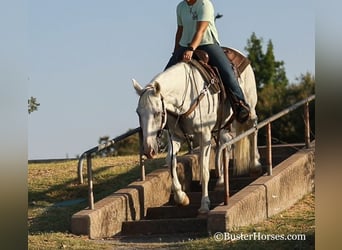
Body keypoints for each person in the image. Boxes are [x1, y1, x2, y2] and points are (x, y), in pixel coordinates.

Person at [165, 0, 250, 123]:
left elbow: (201, 31)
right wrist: (175, 51)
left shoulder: (205, 4)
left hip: (206, 43)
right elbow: (180, 30)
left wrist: (191, 49)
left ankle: (240, 104)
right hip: (185, 45)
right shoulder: (180, 7)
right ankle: (163, 112)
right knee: (166, 75)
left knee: (227, 71)